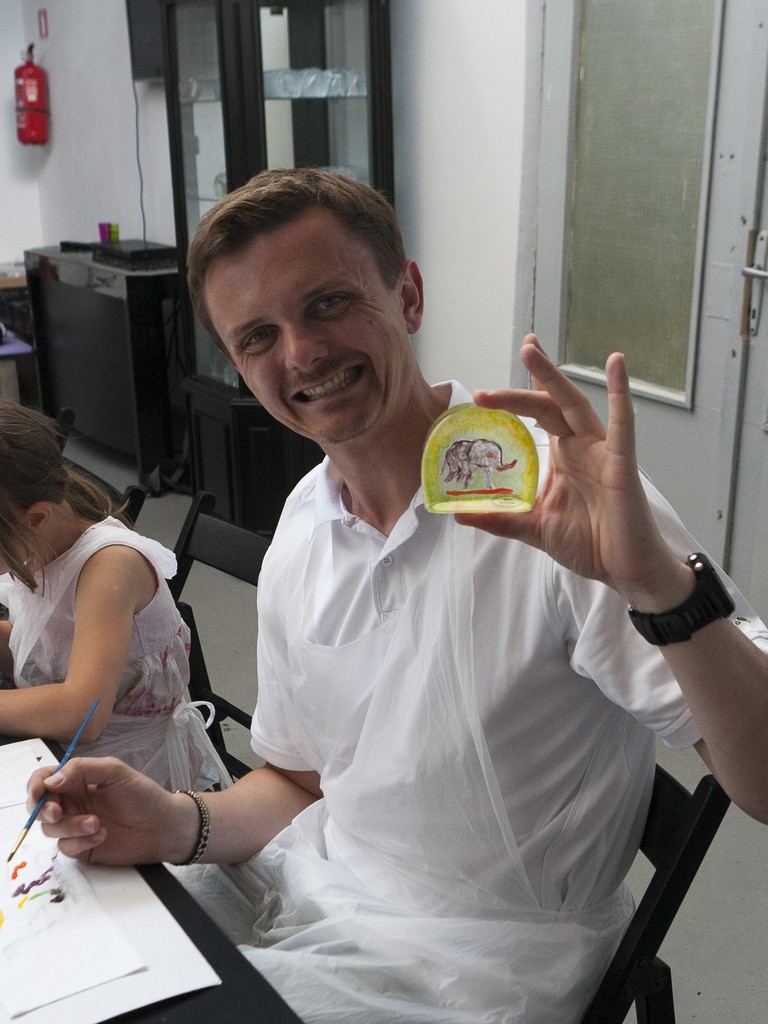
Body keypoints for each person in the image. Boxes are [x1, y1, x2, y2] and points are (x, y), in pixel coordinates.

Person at [29, 169, 768, 1024]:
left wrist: (659, 588)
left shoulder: (556, 505)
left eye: (329, 303)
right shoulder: (305, 523)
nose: (302, 354)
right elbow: (304, 780)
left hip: (475, 967)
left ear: (407, 294)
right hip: (309, 889)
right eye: (259, 336)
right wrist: (170, 821)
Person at [0, 399, 228, 791]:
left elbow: (82, 713)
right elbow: (46, 647)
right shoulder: (39, 543)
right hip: (69, 750)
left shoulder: (109, 567)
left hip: (136, 777)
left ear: (35, 518)